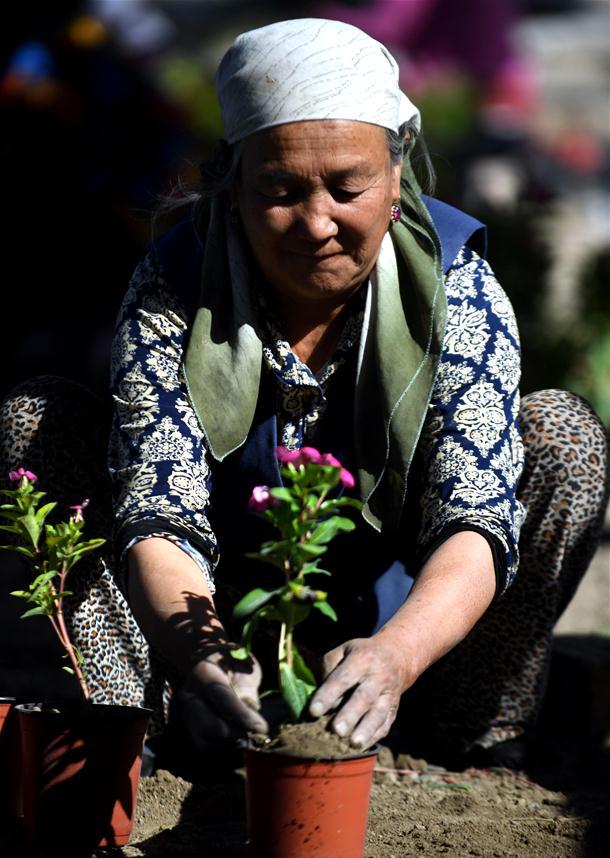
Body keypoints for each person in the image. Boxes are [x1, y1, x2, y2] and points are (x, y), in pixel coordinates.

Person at [1, 18, 607, 775]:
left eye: (348, 188)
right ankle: (130, 733)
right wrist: (205, 657)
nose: (317, 223)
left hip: (401, 642)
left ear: (396, 182)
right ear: (233, 187)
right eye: (281, 190)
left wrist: (397, 655)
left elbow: (475, 509)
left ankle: (469, 734)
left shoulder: (456, 285)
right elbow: (159, 507)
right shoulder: (174, 285)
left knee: (564, 434)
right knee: (40, 417)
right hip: (204, 642)